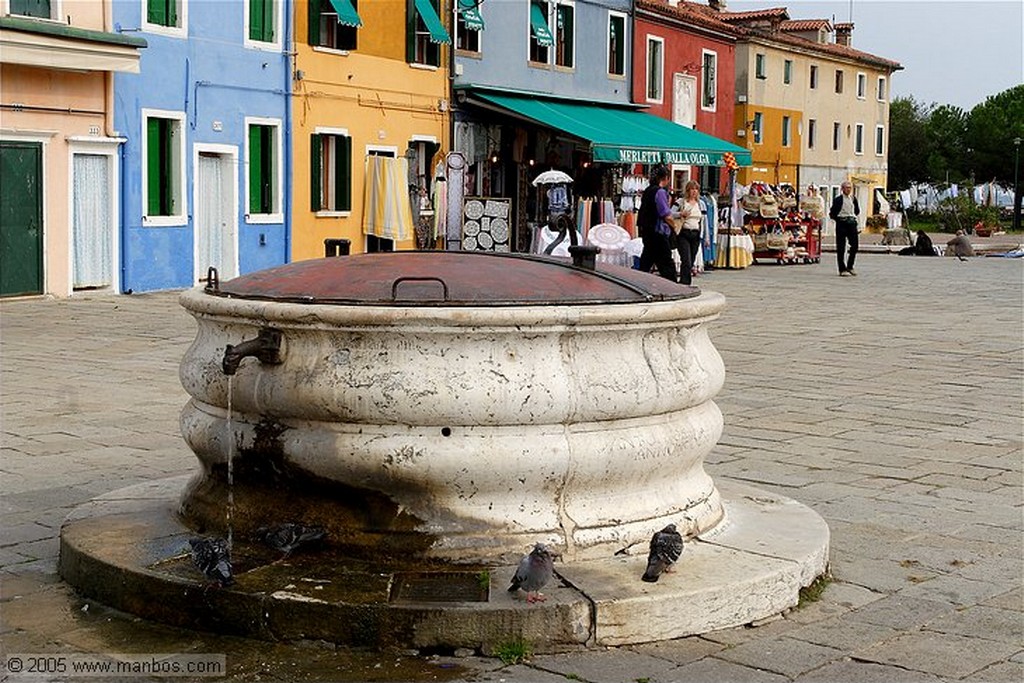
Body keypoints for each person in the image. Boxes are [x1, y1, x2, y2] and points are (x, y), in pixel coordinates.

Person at [637, 165, 677, 281]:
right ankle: (672, 285)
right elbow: (665, 214)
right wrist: (674, 226)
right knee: (666, 261)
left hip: (647, 230)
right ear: (666, 178)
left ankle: (640, 282)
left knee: (647, 260)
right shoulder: (660, 192)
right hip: (657, 231)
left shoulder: (648, 191)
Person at [674, 180, 704, 285]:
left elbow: (703, 220)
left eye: (696, 189)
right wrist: (680, 214)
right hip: (684, 233)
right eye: (692, 189)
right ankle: (685, 282)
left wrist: (704, 236)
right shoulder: (681, 202)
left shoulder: (701, 204)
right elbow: (669, 213)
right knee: (686, 259)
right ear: (688, 190)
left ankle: (685, 280)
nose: (694, 192)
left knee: (691, 259)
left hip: (695, 233)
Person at [829, 180, 860, 276]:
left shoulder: (853, 199)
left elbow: (857, 210)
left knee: (854, 245)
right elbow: (832, 213)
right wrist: (839, 219)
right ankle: (842, 268)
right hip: (842, 222)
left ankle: (850, 266)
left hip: (851, 222)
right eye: (846, 188)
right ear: (842, 189)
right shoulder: (838, 199)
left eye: (850, 187)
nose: (848, 189)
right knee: (841, 247)